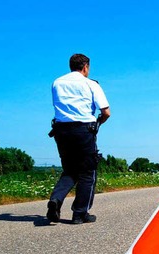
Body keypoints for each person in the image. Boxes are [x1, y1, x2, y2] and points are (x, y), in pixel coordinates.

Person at [46, 53, 111, 224]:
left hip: (61, 131)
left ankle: (56, 200)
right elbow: (106, 112)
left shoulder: (57, 83)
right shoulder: (90, 84)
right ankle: (80, 213)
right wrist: (98, 123)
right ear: (85, 67)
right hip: (83, 130)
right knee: (88, 172)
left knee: (70, 170)